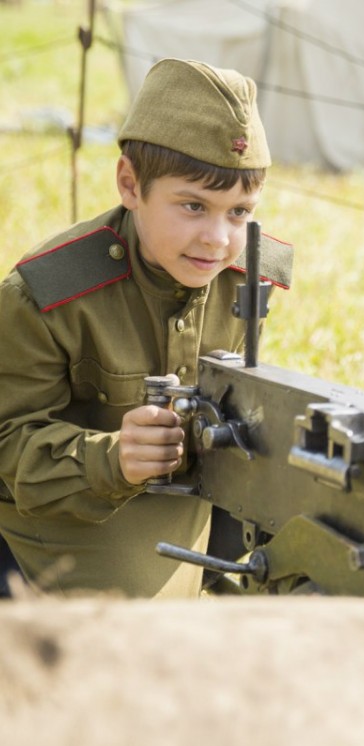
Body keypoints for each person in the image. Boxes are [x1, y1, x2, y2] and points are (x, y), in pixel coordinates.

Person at [0, 59, 293, 598]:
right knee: (124, 621)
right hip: (57, 522)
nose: (218, 239)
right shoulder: (46, 296)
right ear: (130, 184)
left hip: (194, 510)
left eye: (239, 212)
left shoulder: (248, 274)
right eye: (193, 205)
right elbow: (7, 445)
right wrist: (113, 457)